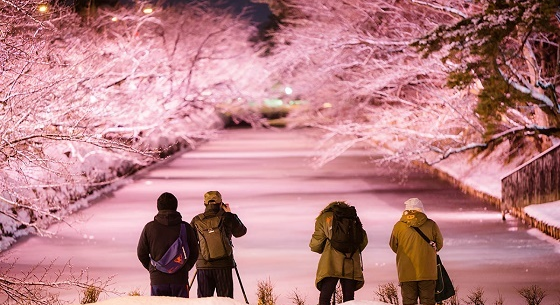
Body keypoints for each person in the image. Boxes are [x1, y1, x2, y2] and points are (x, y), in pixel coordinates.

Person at [137, 192, 199, 297]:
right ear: (176, 206)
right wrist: (185, 267)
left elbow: (141, 253)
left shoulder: (149, 228)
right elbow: (194, 252)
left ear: (158, 207)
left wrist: (153, 268)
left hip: (158, 278)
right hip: (180, 278)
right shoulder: (185, 227)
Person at [309, 201, 368, 305]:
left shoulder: (325, 217)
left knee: (325, 297)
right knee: (349, 299)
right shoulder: (352, 217)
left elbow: (316, 243)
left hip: (331, 262)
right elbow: (363, 240)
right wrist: (351, 250)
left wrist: (322, 248)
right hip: (351, 261)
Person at [191, 190, 247, 298]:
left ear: (205, 203)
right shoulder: (227, 217)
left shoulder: (197, 220)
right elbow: (241, 232)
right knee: (225, 301)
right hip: (224, 265)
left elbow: (189, 240)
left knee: (204, 302)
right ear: (221, 203)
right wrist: (229, 214)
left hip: (204, 266)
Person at [389, 198, 443, 305]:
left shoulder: (398, 226)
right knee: (428, 301)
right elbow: (439, 244)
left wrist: (406, 254)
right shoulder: (431, 225)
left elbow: (393, 246)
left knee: (409, 302)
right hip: (428, 271)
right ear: (421, 209)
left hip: (406, 271)